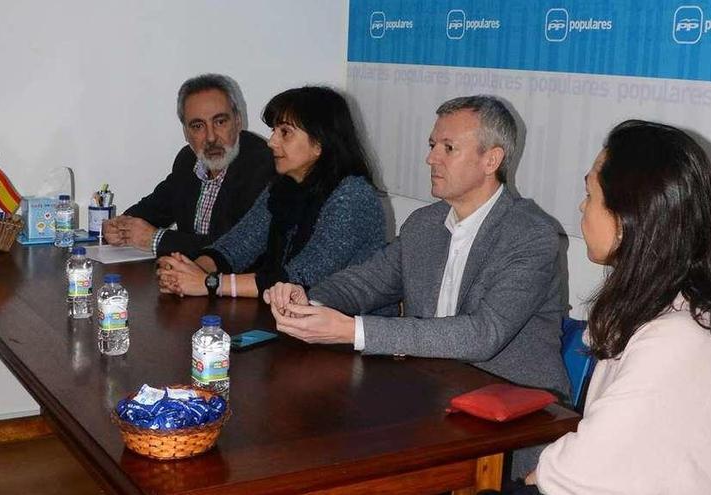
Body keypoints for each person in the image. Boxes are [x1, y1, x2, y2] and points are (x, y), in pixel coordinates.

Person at [265, 95, 569, 475]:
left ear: (491, 160)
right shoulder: (425, 224)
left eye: (448, 148)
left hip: (513, 422)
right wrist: (309, 298)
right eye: (431, 146)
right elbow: (366, 281)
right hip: (433, 403)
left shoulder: (530, 235)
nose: (431, 158)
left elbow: (483, 333)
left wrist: (351, 329)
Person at [515, 121, 711, 494]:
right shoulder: (664, 310)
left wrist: (545, 473)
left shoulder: (682, 339)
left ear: (627, 217)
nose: (583, 207)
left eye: (590, 193)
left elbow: (576, 476)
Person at [156, 86, 386, 298]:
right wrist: (189, 270)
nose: (272, 142)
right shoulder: (283, 186)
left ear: (319, 143)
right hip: (291, 320)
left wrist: (209, 283)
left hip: (345, 331)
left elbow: (300, 277)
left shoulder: (353, 197)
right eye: (274, 130)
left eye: (285, 132)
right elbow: (237, 245)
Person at [103, 73, 276, 257]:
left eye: (220, 122)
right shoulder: (187, 160)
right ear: (186, 132)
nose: (211, 137)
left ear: (238, 121)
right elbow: (153, 209)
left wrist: (156, 239)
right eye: (198, 126)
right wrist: (117, 226)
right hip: (188, 281)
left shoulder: (263, 166)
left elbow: (237, 246)